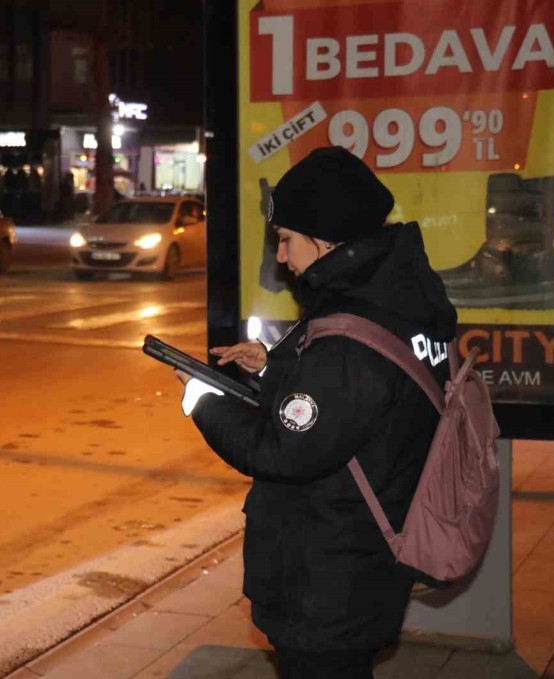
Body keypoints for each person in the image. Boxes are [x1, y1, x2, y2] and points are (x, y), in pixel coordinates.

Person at [171, 146, 457, 679]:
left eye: (286, 239)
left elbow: (282, 451)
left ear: (326, 239)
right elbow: (362, 395)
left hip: (328, 574)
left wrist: (201, 398)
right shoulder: (402, 295)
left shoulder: (350, 332)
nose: (281, 258)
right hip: (369, 549)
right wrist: (275, 366)